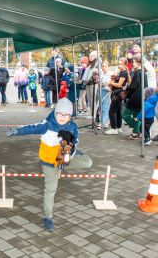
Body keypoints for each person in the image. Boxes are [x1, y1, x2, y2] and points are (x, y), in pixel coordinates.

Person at [6, 98, 92, 231]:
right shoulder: (47, 124)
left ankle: (67, 161)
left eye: (66, 115)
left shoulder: (73, 127)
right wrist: (16, 131)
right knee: (51, 190)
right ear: (55, 112)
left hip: (63, 159)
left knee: (87, 162)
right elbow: (31, 128)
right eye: (59, 114)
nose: (62, 117)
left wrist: (68, 155)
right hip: (49, 163)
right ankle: (48, 217)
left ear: (70, 115)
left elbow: (75, 142)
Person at [123, 56, 147, 139]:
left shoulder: (137, 72)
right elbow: (145, 87)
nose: (132, 63)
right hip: (141, 98)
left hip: (135, 98)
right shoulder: (143, 72)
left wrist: (127, 93)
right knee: (137, 116)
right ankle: (135, 133)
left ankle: (135, 129)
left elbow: (133, 87)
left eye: (134, 62)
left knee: (125, 115)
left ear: (139, 62)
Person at [105, 58, 129, 135]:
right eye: (118, 63)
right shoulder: (120, 72)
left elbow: (119, 85)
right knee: (118, 111)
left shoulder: (124, 73)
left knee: (111, 111)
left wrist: (111, 83)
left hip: (118, 93)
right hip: (117, 93)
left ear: (125, 64)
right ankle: (118, 127)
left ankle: (113, 128)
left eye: (121, 64)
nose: (119, 65)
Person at [81, 51, 100, 119]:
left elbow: (98, 72)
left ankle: (94, 114)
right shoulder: (90, 64)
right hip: (88, 83)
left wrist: (95, 71)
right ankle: (92, 113)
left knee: (93, 99)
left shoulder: (97, 63)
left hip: (93, 83)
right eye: (89, 56)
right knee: (89, 99)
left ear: (95, 56)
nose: (90, 57)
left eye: (91, 56)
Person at [98, 60, 111, 130]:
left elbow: (108, 83)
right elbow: (100, 83)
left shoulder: (110, 74)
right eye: (102, 66)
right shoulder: (102, 74)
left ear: (108, 67)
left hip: (106, 91)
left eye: (105, 66)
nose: (103, 68)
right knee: (101, 106)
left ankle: (104, 122)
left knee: (105, 107)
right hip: (101, 90)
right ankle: (102, 121)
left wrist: (104, 84)